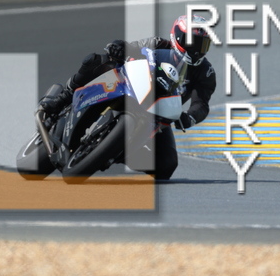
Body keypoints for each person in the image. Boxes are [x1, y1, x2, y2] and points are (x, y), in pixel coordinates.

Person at [39, 14, 217, 180]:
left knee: (167, 165)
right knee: (97, 60)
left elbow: (201, 104)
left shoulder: (205, 73)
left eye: (202, 45)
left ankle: (114, 152)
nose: (197, 50)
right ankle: (62, 98)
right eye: (193, 42)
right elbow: (133, 47)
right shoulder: (157, 43)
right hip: (132, 87)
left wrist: (189, 117)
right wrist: (119, 47)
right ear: (177, 36)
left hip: (157, 113)